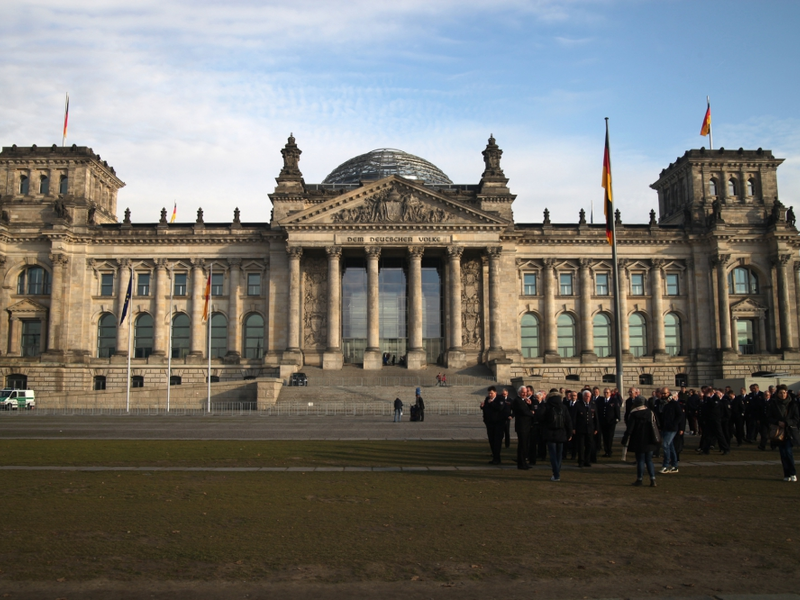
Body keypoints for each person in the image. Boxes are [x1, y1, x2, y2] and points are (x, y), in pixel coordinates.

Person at [622, 397, 660, 487]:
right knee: (649, 460)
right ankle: (653, 479)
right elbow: (656, 424)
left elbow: (630, 429)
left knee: (640, 460)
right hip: (650, 439)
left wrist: (625, 438)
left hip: (638, 439)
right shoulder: (650, 412)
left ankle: (640, 479)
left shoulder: (634, 414)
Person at [767, 384, 798, 482]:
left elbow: (796, 419)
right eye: (780, 393)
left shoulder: (792, 404)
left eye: (784, 393)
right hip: (779, 432)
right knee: (783, 454)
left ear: (786, 393)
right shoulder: (773, 404)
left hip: (789, 431)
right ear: (777, 394)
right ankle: (786, 474)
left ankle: (793, 473)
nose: (782, 395)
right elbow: (769, 417)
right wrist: (777, 422)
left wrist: (787, 423)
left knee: (788, 452)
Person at [540, 390, 573, 482]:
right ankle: (557, 471)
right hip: (561, 432)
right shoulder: (563, 407)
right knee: (559, 454)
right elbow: (568, 421)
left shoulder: (547, 406)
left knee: (553, 454)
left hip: (550, 432)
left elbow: (540, 417)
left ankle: (556, 473)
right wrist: (570, 433)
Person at [481, 386, 511, 465]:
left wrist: (492, 403)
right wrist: (482, 407)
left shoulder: (500, 399)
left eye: (491, 393)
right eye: (489, 393)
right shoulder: (487, 399)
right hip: (490, 424)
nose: (490, 395)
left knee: (497, 442)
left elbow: (500, 408)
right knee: (491, 441)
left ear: (495, 393)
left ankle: (497, 458)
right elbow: (486, 409)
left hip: (498, 424)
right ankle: (495, 457)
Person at [659, 387, 685, 473]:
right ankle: (674, 465)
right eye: (662, 393)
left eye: (665, 393)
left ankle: (665, 465)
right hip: (664, 427)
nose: (663, 395)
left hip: (672, 428)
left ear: (668, 393)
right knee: (671, 446)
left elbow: (680, 415)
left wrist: (674, 424)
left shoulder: (674, 403)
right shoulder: (662, 403)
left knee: (665, 445)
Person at [574, 389, 599, 467]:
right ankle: (581, 461)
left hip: (590, 429)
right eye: (586, 396)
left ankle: (587, 460)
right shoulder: (578, 405)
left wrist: (596, 428)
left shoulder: (593, 404)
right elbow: (574, 417)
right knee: (581, 446)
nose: (587, 398)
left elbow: (596, 418)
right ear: (583, 397)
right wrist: (573, 428)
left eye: (589, 396)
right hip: (580, 429)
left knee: (589, 445)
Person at [512, 385, 535, 470]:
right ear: (519, 393)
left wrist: (530, 405)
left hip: (526, 426)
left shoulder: (524, 400)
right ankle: (521, 463)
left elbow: (530, 410)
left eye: (525, 392)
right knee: (522, 445)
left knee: (525, 445)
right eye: (523, 392)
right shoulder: (517, 401)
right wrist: (532, 414)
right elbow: (524, 411)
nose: (524, 394)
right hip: (521, 426)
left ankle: (524, 462)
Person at [597, 387, 621, 457]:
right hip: (603, 422)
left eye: (607, 392)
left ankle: (609, 450)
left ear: (610, 393)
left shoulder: (614, 400)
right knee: (604, 437)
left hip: (611, 422)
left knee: (609, 437)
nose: (606, 394)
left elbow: (617, 410)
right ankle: (606, 450)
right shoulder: (601, 401)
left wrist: (617, 419)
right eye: (605, 392)